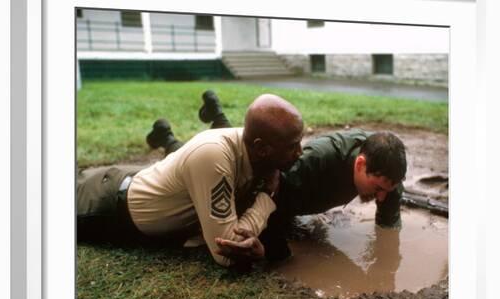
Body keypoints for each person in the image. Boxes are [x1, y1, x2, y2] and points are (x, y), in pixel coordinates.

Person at [146, 92, 407, 264]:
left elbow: (389, 226)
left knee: (235, 152)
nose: (382, 197)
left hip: (273, 168)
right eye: (378, 189)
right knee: (216, 164)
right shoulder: (310, 165)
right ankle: (167, 137)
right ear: (360, 165)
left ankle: (215, 114)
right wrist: (275, 252)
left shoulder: (387, 174)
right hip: (264, 176)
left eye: (388, 190)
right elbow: (264, 194)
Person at [77, 92, 304, 268]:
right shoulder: (214, 155)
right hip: (107, 205)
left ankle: (163, 134)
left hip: (142, 178)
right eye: (293, 146)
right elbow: (225, 253)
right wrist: (266, 197)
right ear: (261, 148)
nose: (300, 152)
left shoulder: (253, 150)